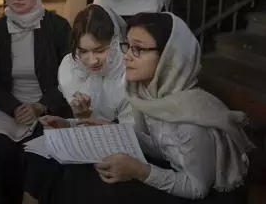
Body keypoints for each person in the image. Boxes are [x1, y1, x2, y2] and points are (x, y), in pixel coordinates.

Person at [40, 12, 254, 204]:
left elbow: (197, 188)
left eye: (139, 49)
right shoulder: (148, 95)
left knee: (105, 189)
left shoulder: (190, 119)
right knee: (81, 174)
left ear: (169, 57)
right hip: (174, 171)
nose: (126, 56)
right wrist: (97, 126)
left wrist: (140, 171)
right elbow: (162, 145)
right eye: (128, 46)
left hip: (208, 194)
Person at [22, 4, 133, 204]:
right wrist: (71, 122)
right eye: (83, 51)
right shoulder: (72, 69)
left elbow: (129, 135)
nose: (91, 60)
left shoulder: (129, 74)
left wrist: (85, 120)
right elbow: (86, 121)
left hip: (123, 148)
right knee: (38, 160)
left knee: (68, 173)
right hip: (90, 138)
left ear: (115, 43)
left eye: (100, 50)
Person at [0, 0, 72, 204]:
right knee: (2, 149)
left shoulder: (58, 27)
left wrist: (40, 106)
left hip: (49, 108)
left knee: (37, 150)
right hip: (10, 108)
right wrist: (15, 108)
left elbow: (69, 78)